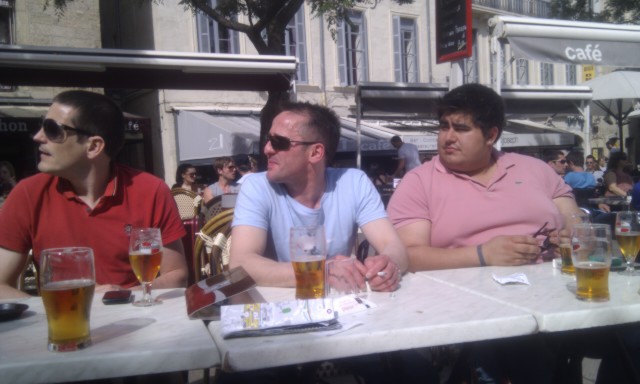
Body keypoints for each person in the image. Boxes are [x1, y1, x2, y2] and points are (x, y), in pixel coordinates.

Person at [0, 90, 188, 299]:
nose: (37, 137)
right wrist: (63, 307)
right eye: (41, 126)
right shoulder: (28, 194)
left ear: (94, 146)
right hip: (62, 324)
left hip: (135, 317)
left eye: (52, 129)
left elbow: (176, 275)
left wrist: (122, 295)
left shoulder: (151, 191)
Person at [229, 101, 408, 291]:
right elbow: (240, 264)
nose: (267, 149)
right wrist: (321, 272)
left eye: (278, 142)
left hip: (341, 306)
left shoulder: (354, 182)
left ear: (315, 152)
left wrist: (389, 264)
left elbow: (393, 246)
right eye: (268, 139)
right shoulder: (257, 186)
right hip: (281, 306)